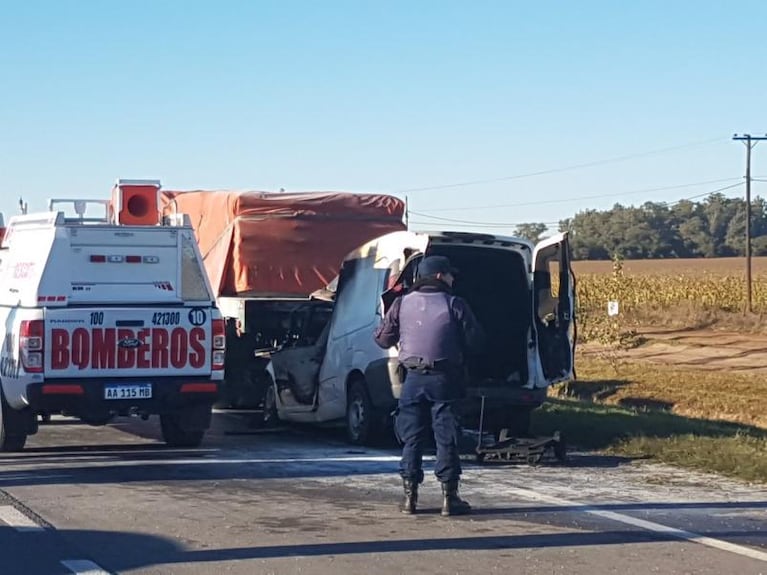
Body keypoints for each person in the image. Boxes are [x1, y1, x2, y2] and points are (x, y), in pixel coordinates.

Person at [374, 255, 485, 516]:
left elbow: (382, 339)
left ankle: (409, 498)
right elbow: (477, 341)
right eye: (449, 274)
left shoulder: (401, 304)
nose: (453, 278)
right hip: (445, 379)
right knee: (446, 437)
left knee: (412, 438)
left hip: (412, 379)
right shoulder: (455, 303)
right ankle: (449, 497)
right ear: (438, 276)